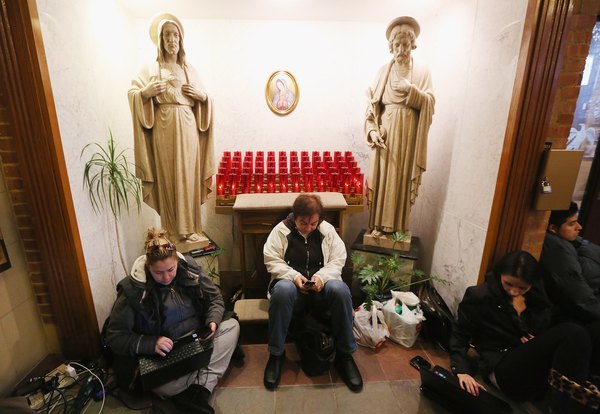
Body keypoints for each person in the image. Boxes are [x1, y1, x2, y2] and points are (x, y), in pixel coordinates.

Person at [106, 228, 240, 413]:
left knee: (231, 326)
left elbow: (215, 298)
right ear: (148, 267)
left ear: (177, 261)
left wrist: (213, 320)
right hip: (166, 352)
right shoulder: (133, 290)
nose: (167, 277)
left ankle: (194, 391)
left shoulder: (190, 269)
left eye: (171, 269)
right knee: (162, 386)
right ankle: (201, 386)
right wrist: (151, 343)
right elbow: (115, 337)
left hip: (197, 338)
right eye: (158, 273)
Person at [450, 251, 599, 412]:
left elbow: (544, 334)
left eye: (522, 287)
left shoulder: (537, 299)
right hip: (502, 368)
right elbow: (459, 334)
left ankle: (570, 403)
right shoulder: (481, 296)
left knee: (593, 329)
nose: (514, 291)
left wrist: (536, 341)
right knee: (573, 331)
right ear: (500, 274)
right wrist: (462, 371)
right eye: (508, 284)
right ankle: (568, 405)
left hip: (532, 368)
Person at [262, 194, 363, 392]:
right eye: (303, 223)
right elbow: (271, 259)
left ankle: (345, 354)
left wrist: (321, 278)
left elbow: (338, 259)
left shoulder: (327, 231)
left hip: (320, 291)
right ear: (295, 217)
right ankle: (276, 354)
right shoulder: (281, 231)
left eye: (313, 223)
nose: (309, 228)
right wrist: (293, 276)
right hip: (293, 292)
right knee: (282, 290)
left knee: (340, 289)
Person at [129, 13, 214, 245]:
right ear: (160, 39)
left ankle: (192, 228)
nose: (172, 39)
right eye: (167, 35)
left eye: (175, 35)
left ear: (181, 39)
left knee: (189, 174)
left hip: (188, 126)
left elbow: (206, 99)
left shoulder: (189, 69)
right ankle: (172, 230)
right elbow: (134, 93)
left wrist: (202, 97)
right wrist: (145, 94)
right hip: (164, 125)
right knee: (168, 176)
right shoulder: (150, 68)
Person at [365, 16, 435, 237]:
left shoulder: (422, 71)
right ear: (391, 46)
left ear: (412, 45)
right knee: (384, 178)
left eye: (405, 44)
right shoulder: (382, 72)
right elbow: (371, 110)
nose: (401, 49)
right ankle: (377, 225)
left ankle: (398, 228)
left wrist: (411, 89)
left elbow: (430, 102)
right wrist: (373, 131)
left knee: (401, 180)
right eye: (397, 45)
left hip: (407, 134)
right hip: (385, 134)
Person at [540, 201, 600, 322]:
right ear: (553, 228)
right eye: (572, 224)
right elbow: (581, 296)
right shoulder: (557, 251)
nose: (579, 227)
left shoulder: (571, 240)